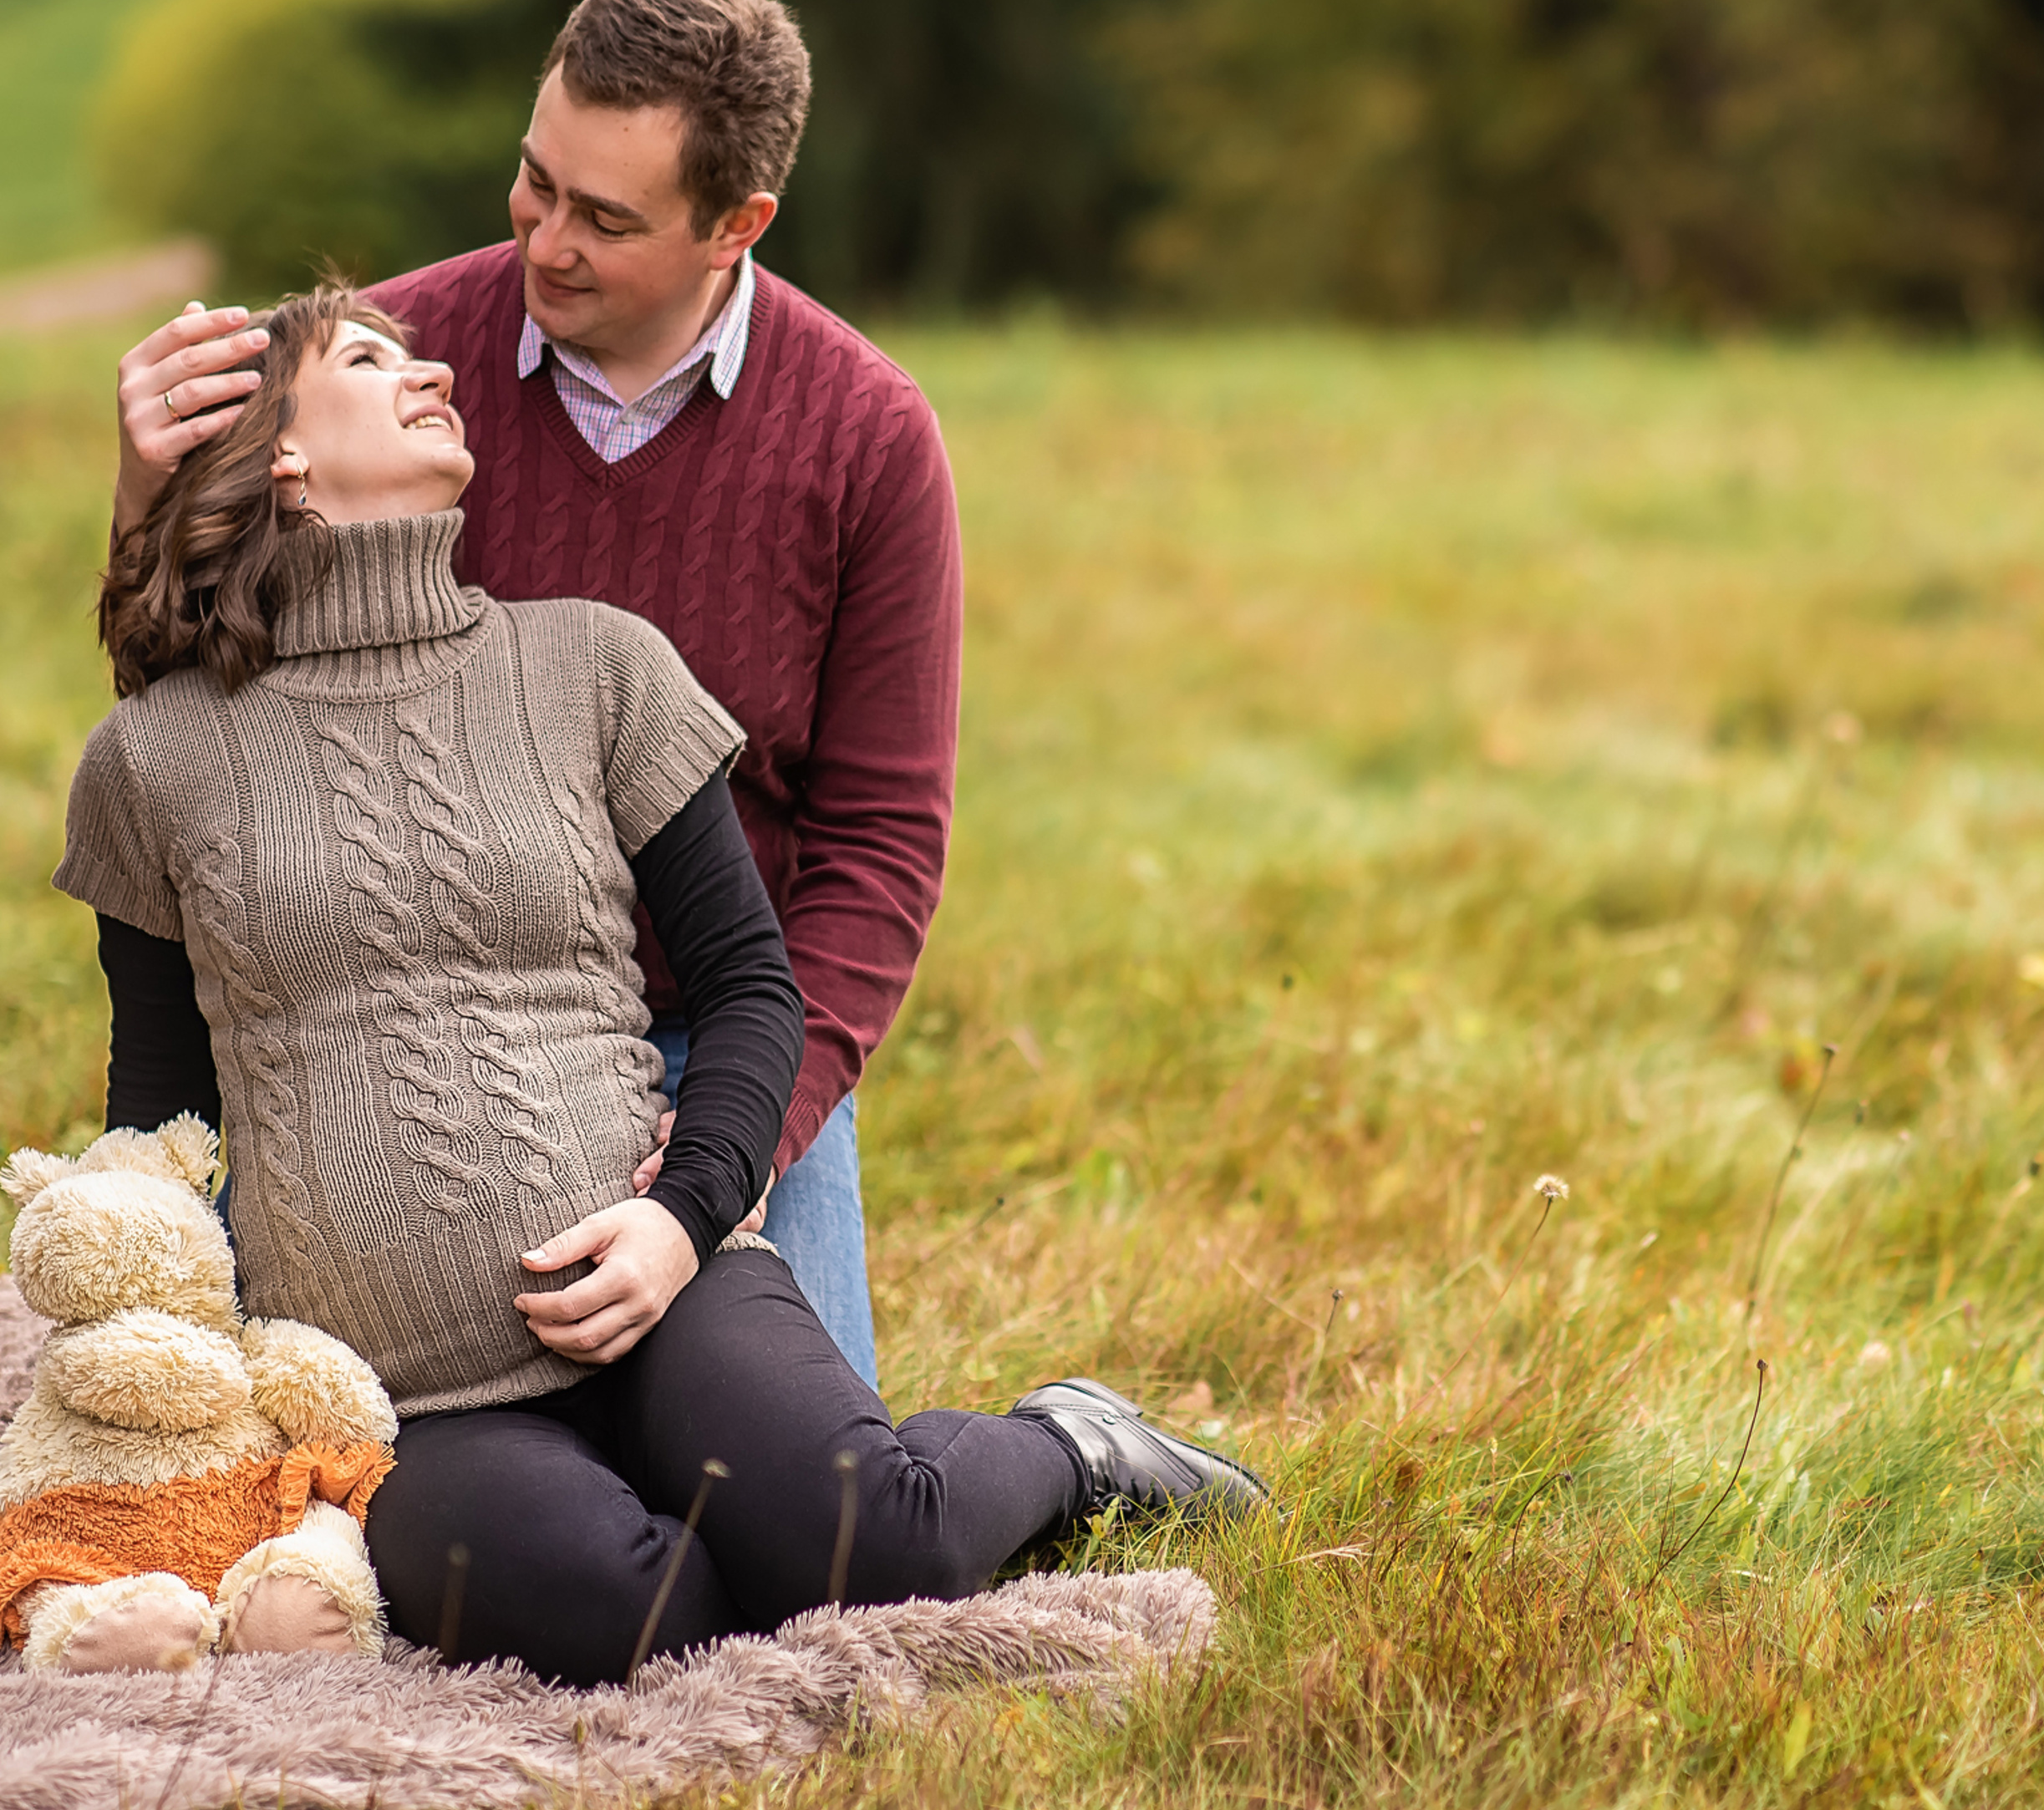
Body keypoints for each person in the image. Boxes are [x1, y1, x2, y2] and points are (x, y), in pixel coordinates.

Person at [58, 286, 1265, 1687]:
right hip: (414, 1405)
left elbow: (756, 985)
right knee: (632, 1624)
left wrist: (684, 1220)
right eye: (375, 359)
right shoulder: (152, 761)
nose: (436, 364)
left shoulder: (592, 665)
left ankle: (1065, 1443)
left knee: (878, 1550)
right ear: (282, 456)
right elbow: (157, 1111)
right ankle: (705, 1533)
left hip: (670, 1289)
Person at [108, 0, 946, 1387]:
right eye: (535, 180)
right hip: (400, 1045)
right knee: (346, 1502)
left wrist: (723, 1160)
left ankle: (1062, 1445)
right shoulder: (383, 370)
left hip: (720, 1034)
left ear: (737, 226)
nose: (546, 240)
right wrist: (149, 490)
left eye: (606, 218)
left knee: (810, 1498)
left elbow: (878, 845)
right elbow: (188, 744)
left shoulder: (866, 438)